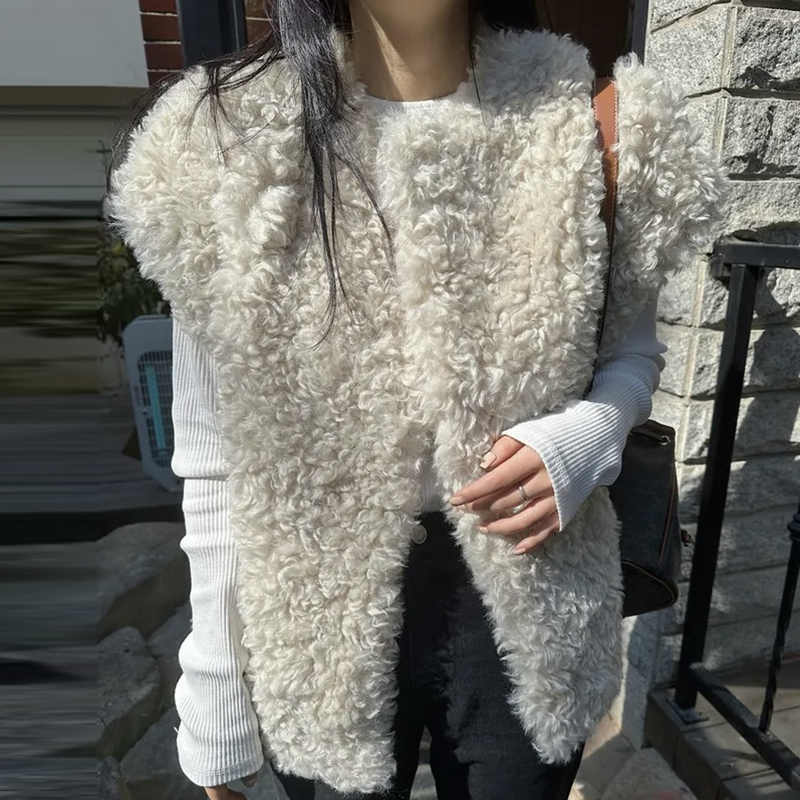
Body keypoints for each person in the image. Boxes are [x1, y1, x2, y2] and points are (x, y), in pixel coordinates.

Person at [105, 1, 728, 798]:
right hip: (314, 612)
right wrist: (215, 690)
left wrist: (590, 437)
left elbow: (631, 355)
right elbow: (216, 450)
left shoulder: (590, 122)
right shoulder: (225, 140)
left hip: (534, 584)